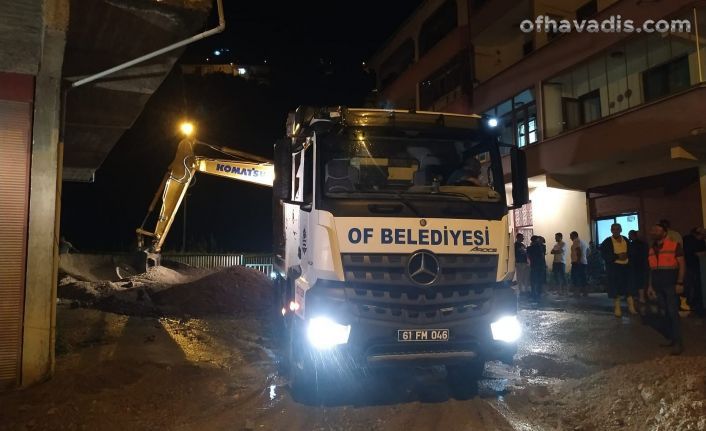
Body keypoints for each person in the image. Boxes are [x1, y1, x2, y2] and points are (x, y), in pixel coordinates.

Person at [647, 223, 686, 355]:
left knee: (673, 313)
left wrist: (680, 283)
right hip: (658, 286)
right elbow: (652, 270)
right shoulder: (652, 249)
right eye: (653, 229)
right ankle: (672, 339)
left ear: (665, 232)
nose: (654, 232)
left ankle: (679, 343)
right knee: (666, 313)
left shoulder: (675, 246)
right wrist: (650, 286)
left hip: (671, 285)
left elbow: (682, 265)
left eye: (658, 230)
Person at [601, 223, 637, 317]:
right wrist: (617, 256)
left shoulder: (625, 239)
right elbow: (604, 255)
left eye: (617, 229)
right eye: (613, 229)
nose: (615, 231)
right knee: (616, 289)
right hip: (615, 268)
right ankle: (617, 309)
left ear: (621, 230)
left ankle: (631, 307)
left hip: (626, 267)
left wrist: (627, 256)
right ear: (611, 230)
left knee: (629, 287)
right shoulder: (607, 241)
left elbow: (632, 251)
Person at [682, 227, 706, 314]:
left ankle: (696, 305)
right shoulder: (689, 240)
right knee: (693, 287)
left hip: (697, 267)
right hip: (691, 267)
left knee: (696, 287)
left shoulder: (697, 240)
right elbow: (696, 253)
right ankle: (694, 305)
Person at [628, 230, 649, 313]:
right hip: (643, 266)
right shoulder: (644, 244)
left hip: (633, 266)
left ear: (632, 235)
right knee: (641, 282)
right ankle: (642, 298)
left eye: (629, 235)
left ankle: (637, 299)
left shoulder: (631, 245)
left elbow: (630, 256)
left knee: (635, 283)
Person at [569, 231, 589, 296]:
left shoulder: (576, 241)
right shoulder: (583, 242)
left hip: (577, 262)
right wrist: (584, 258)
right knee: (583, 277)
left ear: (574, 236)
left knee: (575, 277)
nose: (570, 238)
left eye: (571, 236)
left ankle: (576, 293)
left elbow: (578, 251)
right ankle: (585, 293)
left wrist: (578, 261)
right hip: (584, 262)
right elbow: (588, 251)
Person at [527, 235, 545, 302]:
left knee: (533, 281)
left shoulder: (529, 248)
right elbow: (542, 256)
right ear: (536, 240)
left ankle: (533, 294)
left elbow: (528, 256)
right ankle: (539, 294)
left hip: (534, 266)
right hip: (540, 265)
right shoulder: (540, 247)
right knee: (539, 280)